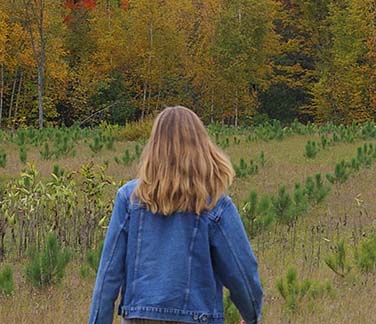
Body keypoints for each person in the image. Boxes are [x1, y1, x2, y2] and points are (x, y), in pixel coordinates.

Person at [88, 106, 263, 324]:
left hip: (139, 317)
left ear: (154, 147)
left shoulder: (129, 198)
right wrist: (252, 315)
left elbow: (108, 276)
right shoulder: (215, 204)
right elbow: (242, 271)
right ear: (201, 145)